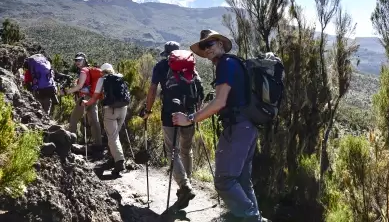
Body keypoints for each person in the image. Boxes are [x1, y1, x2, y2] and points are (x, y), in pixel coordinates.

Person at [172, 30, 269, 222]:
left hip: (237, 128)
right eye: (203, 46)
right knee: (242, 180)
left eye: (211, 44)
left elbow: (219, 102)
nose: (206, 49)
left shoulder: (225, 64)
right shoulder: (233, 63)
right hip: (248, 127)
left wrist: (190, 118)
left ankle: (252, 217)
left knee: (224, 180)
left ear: (221, 45)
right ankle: (252, 217)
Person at [143, 41, 204, 210]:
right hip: (190, 115)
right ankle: (187, 182)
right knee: (186, 149)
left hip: (170, 113)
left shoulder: (161, 66)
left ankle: (184, 186)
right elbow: (199, 91)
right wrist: (197, 114)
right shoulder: (190, 66)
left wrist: (147, 110)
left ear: (167, 54)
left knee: (172, 151)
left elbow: (153, 90)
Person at [82, 63, 129, 175]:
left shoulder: (102, 80)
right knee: (115, 135)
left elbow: (94, 97)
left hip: (110, 110)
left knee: (112, 137)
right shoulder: (120, 77)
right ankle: (113, 158)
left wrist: (86, 103)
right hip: (123, 109)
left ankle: (119, 162)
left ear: (102, 72)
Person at [62, 52, 103, 150]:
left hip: (84, 98)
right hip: (93, 98)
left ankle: (70, 143)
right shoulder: (90, 70)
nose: (77, 62)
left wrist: (66, 91)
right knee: (94, 121)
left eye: (79, 60)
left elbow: (79, 86)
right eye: (76, 60)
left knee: (73, 119)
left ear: (84, 60)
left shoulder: (84, 71)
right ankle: (98, 145)